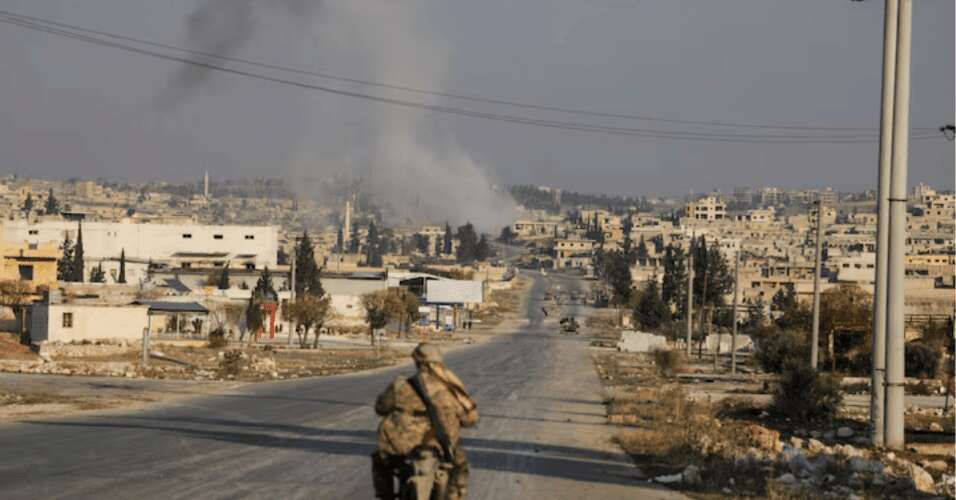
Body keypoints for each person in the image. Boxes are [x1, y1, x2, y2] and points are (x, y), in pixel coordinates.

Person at [372, 343, 478, 500]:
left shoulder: (401, 385)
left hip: (400, 447)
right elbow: (470, 419)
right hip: (440, 447)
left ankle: (385, 496)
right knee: (460, 466)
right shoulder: (451, 388)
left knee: (380, 460)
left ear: (416, 362)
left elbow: (381, 408)